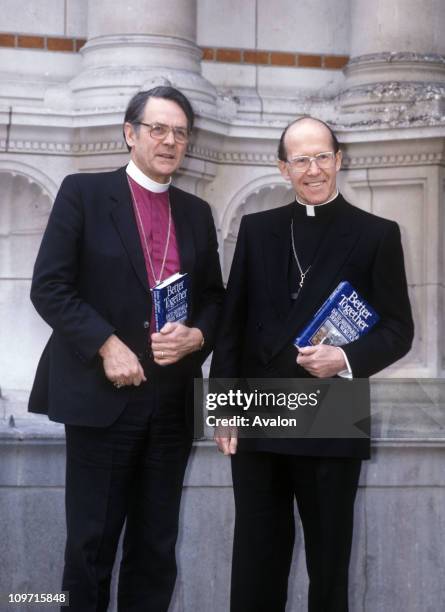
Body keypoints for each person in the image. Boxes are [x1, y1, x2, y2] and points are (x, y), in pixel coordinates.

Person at [28, 86, 224, 612]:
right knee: (91, 546)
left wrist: (198, 336)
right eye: (158, 128)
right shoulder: (83, 194)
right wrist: (106, 345)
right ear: (130, 133)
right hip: (101, 399)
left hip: (171, 403)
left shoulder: (197, 212)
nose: (170, 141)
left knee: (156, 549)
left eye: (180, 132)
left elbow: (213, 300)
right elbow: (49, 286)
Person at [210, 116, 414, 612]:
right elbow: (232, 324)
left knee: (328, 569)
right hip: (259, 411)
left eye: (322, 156)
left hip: (331, 416)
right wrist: (220, 408)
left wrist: (344, 358)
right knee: (256, 561)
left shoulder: (377, 235)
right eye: (300, 159)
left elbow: (398, 330)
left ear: (339, 159)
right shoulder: (257, 230)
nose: (313, 169)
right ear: (284, 168)